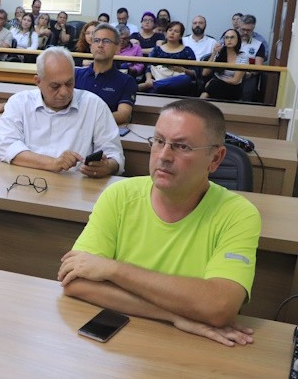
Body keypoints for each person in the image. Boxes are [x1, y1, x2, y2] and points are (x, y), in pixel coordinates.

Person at [58, 98, 260, 347]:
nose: (164, 156)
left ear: (216, 158)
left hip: (191, 352)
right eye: (159, 141)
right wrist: (174, 315)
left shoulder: (238, 214)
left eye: (182, 147)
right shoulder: (119, 195)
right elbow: (75, 281)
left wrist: (113, 269)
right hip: (122, 349)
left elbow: (219, 307)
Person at [0, 47, 124, 177]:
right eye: (55, 86)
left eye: (69, 83)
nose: (64, 92)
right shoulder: (19, 103)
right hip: (27, 181)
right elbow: (6, 147)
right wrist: (53, 163)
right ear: (38, 81)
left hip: (76, 185)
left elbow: (115, 155)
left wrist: (108, 167)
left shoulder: (94, 105)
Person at [75, 23, 136, 125]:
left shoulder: (126, 81)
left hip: (104, 130)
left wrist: (91, 122)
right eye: (96, 40)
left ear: (117, 48)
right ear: (91, 46)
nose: (100, 45)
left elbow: (123, 114)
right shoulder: (76, 75)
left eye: (106, 41)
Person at [139, 22, 197, 95]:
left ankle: (154, 85)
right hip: (159, 76)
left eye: (176, 31)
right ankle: (156, 85)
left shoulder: (187, 50)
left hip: (178, 82)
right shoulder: (157, 49)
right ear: (166, 33)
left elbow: (194, 73)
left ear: (180, 36)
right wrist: (148, 79)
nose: (172, 33)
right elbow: (148, 67)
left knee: (186, 79)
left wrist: (183, 70)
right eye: (170, 30)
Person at [201, 29, 246, 100]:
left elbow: (235, 80)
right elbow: (205, 73)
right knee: (209, 86)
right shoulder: (219, 54)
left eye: (232, 37)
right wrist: (214, 53)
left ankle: (200, 102)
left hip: (232, 87)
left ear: (238, 40)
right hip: (215, 85)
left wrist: (214, 81)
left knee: (213, 85)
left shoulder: (242, 56)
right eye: (227, 37)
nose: (229, 40)